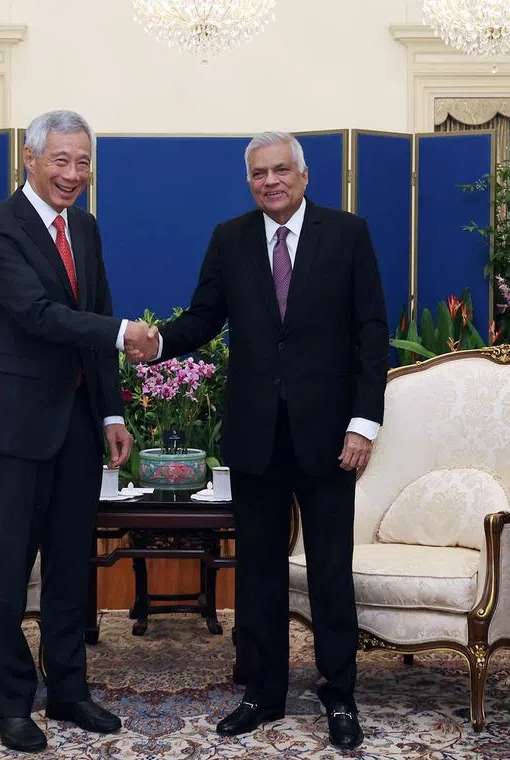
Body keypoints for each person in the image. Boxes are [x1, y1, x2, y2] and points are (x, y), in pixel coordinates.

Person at [130, 131, 387, 750]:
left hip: (330, 437)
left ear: (304, 175)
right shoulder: (230, 238)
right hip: (255, 436)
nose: (269, 181)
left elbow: (372, 331)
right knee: (259, 574)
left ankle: (339, 693)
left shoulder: (347, 234)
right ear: (249, 181)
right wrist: (159, 343)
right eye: (258, 174)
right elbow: (204, 318)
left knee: (330, 571)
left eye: (280, 170)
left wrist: (364, 422)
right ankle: (263, 693)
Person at [0, 109, 158, 753]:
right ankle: (10, 703)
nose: (73, 174)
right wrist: (123, 333)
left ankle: (70, 691)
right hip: (16, 425)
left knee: (72, 567)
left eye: (83, 163)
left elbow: (96, 313)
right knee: (9, 570)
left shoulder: (87, 227)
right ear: (30, 158)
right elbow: (39, 314)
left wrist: (111, 413)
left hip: (77, 424)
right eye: (61, 161)